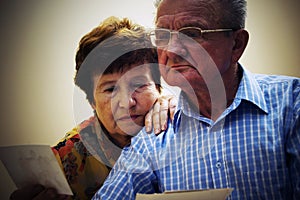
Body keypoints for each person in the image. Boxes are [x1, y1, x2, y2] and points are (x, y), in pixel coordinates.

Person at [94, 0, 300, 199]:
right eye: (163, 35)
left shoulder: (291, 104)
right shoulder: (154, 133)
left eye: (191, 34)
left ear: (236, 44)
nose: (172, 50)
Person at [9, 16, 176, 200]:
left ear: (159, 88)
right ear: (92, 102)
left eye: (139, 85)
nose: (127, 102)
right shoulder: (62, 162)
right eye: (110, 89)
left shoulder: (183, 125)